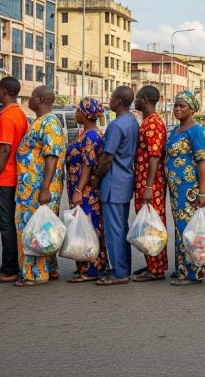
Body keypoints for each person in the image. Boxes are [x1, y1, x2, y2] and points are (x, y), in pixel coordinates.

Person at [13, 85, 66, 286]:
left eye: (33, 96)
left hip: (38, 188)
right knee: (44, 227)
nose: (30, 99)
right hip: (31, 187)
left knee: (34, 230)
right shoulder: (40, 121)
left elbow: (51, 157)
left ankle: (35, 273)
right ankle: (49, 268)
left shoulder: (50, 123)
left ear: (41, 99)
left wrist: (44, 188)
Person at [0, 77, 28, 284]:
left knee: (5, 224)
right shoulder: (19, 114)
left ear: (3, 91)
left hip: (5, 178)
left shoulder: (8, 117)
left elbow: (5, 149)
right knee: (8, 223)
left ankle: (10, 269)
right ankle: (8, 264)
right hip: (12, 176)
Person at [91, 86, 138, 285]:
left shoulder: (116, 126)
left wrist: (96, 177)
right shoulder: (133, 121)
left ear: (118, 101)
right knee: (121, 227)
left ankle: (120, 273)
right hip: (125, 179)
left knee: (115, 230)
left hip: (113, 181)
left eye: (111, 97)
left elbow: (107, 157)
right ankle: (122, 268)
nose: (109, 100)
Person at [165, 90, 205, 285]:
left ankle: (193, 273)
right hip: (176, 190)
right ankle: (182, 269)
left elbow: (202, 163)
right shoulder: (176, 130)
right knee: (179, 229)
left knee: (189, 230)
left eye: (181, 106)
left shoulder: (196, 130)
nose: (177, 109)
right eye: (175, 105)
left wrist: (202, 192)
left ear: (191, 109)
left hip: (189, 188)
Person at [65, 97, 107, 283]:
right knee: (82, 228)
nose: (76, 114)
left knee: (88, 228)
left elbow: (88, 166)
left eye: (78, 111)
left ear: (85, 114)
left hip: (85, 192)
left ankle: (91, 268)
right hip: (79, 188)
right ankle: (85, 265)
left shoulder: (91, 137)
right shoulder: (86, 134)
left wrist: (79, 190)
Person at [132, 85, 168, 282]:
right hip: (144, 181)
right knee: (147, 224)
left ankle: (156, 269)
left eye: (138, 97)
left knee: (152, 225)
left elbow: (154, 157)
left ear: (145, 100)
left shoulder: (153, 123)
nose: (135, 100)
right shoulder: (146, 121)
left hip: (150, 182)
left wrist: (148, 186)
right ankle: (153, 264)